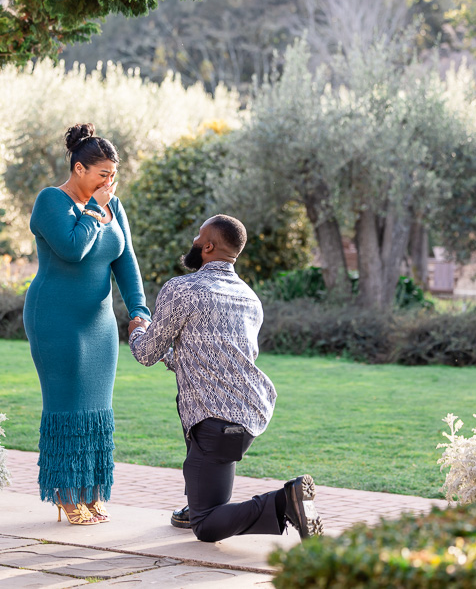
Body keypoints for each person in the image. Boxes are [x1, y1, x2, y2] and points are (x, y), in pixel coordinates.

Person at [127, 215, 323, 543]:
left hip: (214, 424)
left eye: (198, 236)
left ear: (208, 246)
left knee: (207, 526)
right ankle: (198, 504)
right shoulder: (248, 297)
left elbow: (147, 353)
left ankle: (285, 500)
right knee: (209, 497)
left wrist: (138, 332)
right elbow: (206, 360)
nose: (193, 240)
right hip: (246, 416)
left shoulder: (181, 288)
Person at [23, 123, 151, 526]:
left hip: (99, 324)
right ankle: (65, 494)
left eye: (114, 175)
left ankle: (92, 493)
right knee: (68, 407)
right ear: (79, 169)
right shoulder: (50, 202)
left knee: (97, 410)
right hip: (56, 319)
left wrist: (139, 310)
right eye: (103, 174)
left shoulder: (116, 207)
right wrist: (94, 209)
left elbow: (125, 261)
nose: (110, 182)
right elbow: (73, 249)